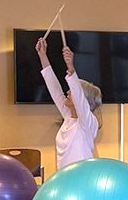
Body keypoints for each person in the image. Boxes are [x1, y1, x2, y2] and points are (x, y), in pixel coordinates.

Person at [35, 38, 102, 169]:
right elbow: (54, 87)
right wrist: (42, 55)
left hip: (82, 179)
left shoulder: (88, 123)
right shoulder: (68, 117)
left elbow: (79, 97)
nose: (67, 92)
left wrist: (71, 69)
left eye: (71, 90)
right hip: (64, 179)